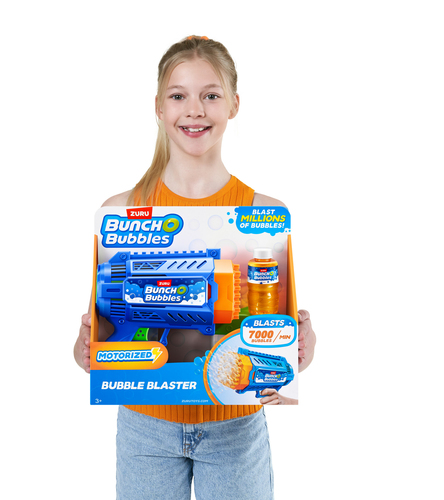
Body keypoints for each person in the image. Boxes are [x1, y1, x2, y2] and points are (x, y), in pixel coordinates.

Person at [74, 36, 316, 500]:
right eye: (178, 95)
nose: (195, 110)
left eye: (211, 95)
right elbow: (97, 346)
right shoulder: (120, 211)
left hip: (235, 425)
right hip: (146, 425)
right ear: (159, 107)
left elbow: (280, 344)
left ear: (234, 104)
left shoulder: (263, 213)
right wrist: (88, 350)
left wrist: (299, 345)